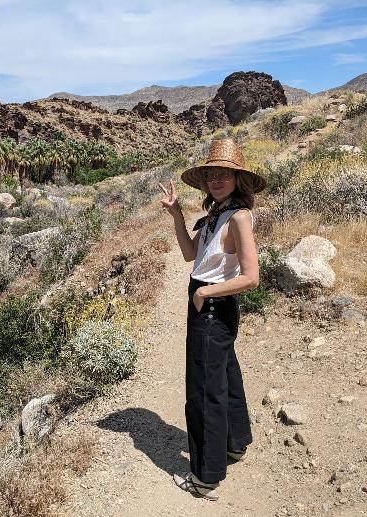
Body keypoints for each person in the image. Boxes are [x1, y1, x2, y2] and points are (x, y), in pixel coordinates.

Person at [158, 138, 266, 501]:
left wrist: (204, 293)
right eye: (211, 174)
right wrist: (176, 216)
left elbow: (251, 277)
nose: (217, 179)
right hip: (209, 303)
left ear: (238, 178)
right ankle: (235, 443)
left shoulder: (237, 217)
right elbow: (190, 255)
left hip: (213, 305)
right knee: (225, 377)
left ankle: (206, 475)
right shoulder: (212, 218)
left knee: (204, 390)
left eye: (225, 174)